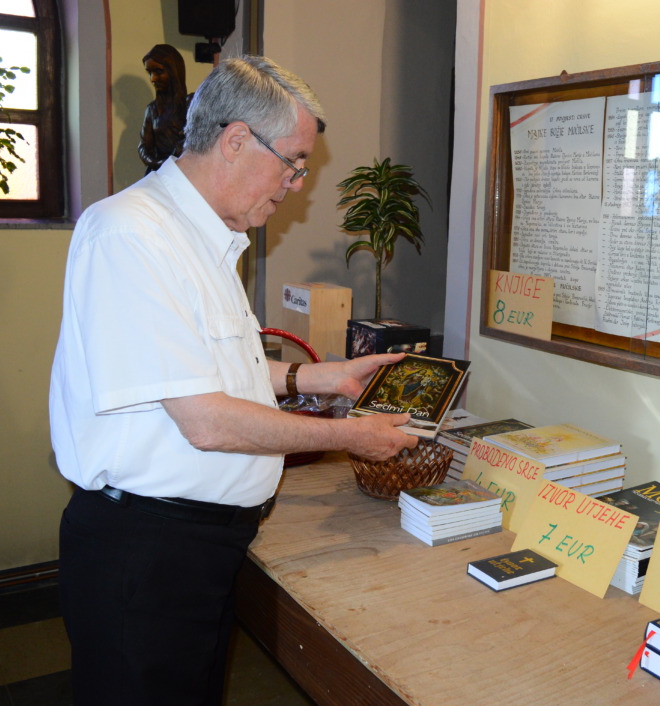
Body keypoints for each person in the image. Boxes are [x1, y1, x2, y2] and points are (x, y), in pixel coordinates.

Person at [49, 55, 418, 706]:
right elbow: (206, 417)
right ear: (237, 139)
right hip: (145, 553)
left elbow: (220, 367)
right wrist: (351, 437)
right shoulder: (131, 235)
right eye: (295, 161)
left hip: (194, 547)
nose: (298, 183)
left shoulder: (207, 239)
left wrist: (320, 377)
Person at [138, 44, 192, 173]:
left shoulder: (191, 104)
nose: (153, 79)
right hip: (159, 173)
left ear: (173, 71)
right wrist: (158, 163)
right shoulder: (152, 110)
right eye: (150, 72)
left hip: (186, 173)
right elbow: (144, 147)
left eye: (158, 71)